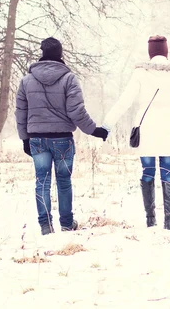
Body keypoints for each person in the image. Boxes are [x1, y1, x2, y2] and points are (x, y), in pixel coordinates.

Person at [102, 35, 170, 230]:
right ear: (166, 51)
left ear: (150, 52)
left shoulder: (141, 73)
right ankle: (169, 221)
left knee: (147, 171)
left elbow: (124, 101)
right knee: (168, 171)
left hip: (147, 126)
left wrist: (107, 124)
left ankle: (150, 219)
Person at [15, 37, 109, 236]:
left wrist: (25, 138)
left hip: (37, 140)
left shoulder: (26, 81)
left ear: (42, 53)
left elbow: (20, 112)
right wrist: (94, 130)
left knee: (42, 181)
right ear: (60, 54)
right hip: (62, 140)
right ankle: (66, 223)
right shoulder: (69, 79)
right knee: (64, 181)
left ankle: (45, 225)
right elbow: (76, 111)